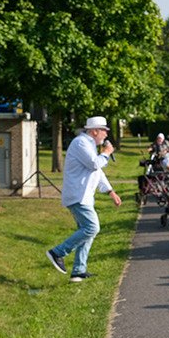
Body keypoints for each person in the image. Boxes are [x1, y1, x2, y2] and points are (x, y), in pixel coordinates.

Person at [46, 116, 122, 282]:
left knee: (87, 233)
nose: (106, 135)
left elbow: (97, 172)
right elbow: (94, 164)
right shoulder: (81, 143)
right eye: (104, 131)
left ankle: (78, 271)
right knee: (92, 228)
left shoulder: (89, 145)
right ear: (94, 131)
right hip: (78, 196)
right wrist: (107, 153)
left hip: (84, 196)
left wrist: (110, 191)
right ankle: (57, 252)